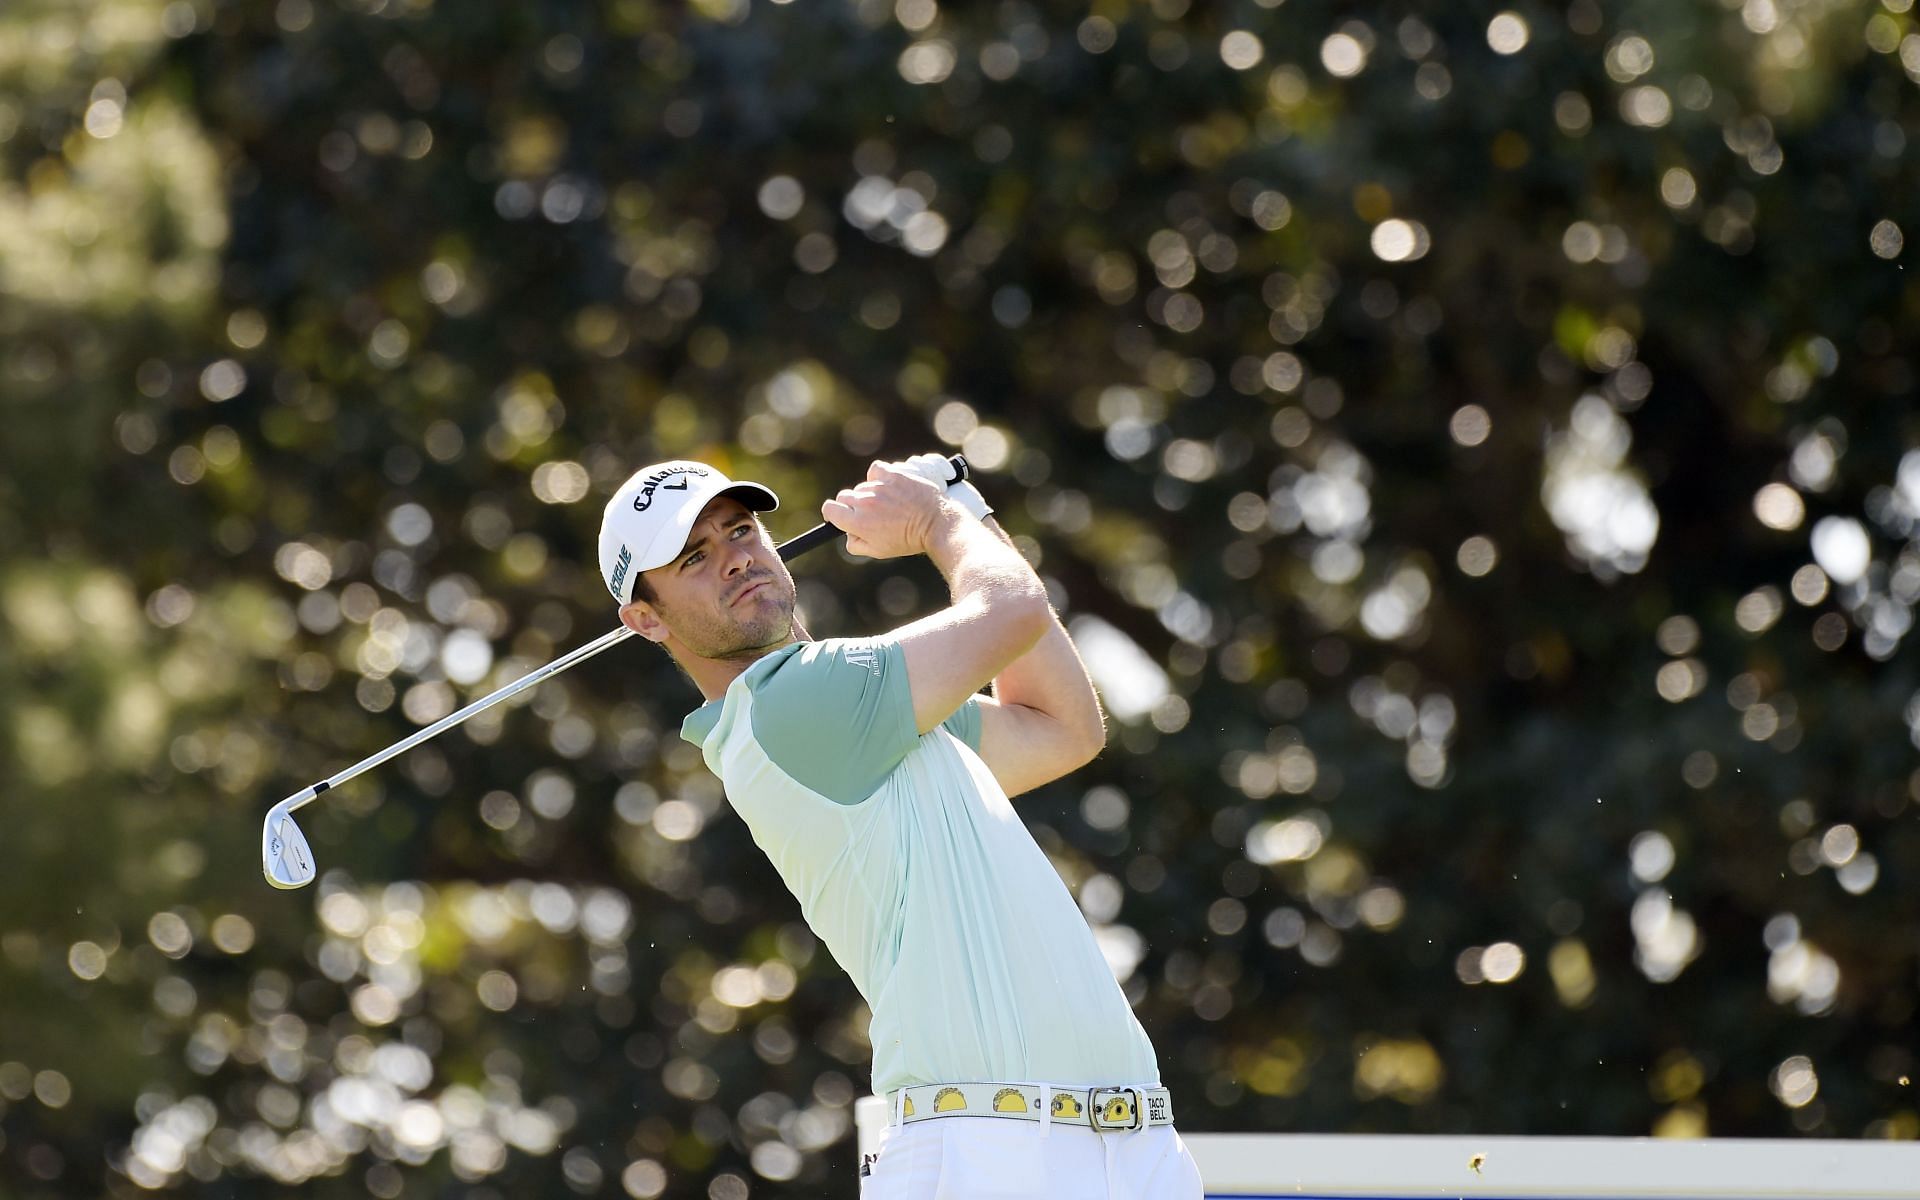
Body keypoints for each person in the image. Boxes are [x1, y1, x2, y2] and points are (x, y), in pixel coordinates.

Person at [596, 454, 1203, 1199]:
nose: (737, 559)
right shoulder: (799, 702)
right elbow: (1010, 613)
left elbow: (1062, 728)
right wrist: (939, 520)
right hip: (991, 1157)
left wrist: (967, 513)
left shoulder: (857, 714)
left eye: (741, 530)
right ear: (645, 620)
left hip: (1122, 1148)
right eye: (694, 557)